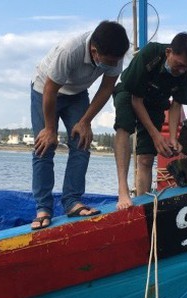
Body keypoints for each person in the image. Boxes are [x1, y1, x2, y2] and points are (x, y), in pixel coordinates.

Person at [30, 21, 129, 230]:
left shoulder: (115, 56)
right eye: (109, 61)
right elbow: (50, 90)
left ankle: (72, 201)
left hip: (77, 95)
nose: (113, 66)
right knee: (44, 147)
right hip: (45, 91)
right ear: (94, 51)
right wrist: (50, 130)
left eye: (116, 62)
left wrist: (85, 122)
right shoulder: (70, 50)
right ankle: (43, 208)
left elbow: (106, 89)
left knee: (82, 143)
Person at [113, 32, 187, 210]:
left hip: (157, 102)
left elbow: (177, 104)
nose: (181, 71)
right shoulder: (151, 53)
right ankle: (123, 190)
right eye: (178, 65)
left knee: (146, 157)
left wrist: (172, 138)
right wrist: (155, 135)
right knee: (124, 126)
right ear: (169, 52)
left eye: (186, 67)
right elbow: (136, 100)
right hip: (130, 93)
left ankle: (142, 202)